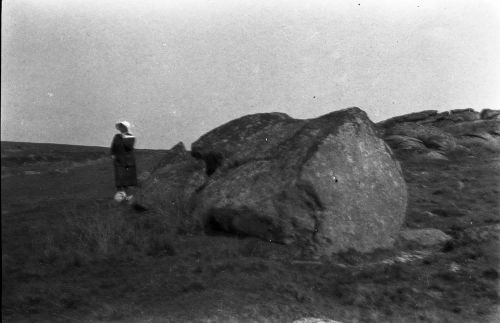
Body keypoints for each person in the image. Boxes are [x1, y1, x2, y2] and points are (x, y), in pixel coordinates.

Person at [111, 121, 138, 202]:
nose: (121, 129)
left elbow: (129, 146)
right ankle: (120, 197)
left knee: (127, 179)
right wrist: (113, 154)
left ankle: (128, 197)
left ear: (126, 128)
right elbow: (113, 146)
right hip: (118, 160)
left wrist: (124, 137)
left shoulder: (131, 136)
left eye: (123, 127)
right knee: (119, 178)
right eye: (120, 127)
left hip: (128, 161)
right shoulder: (116, 136)